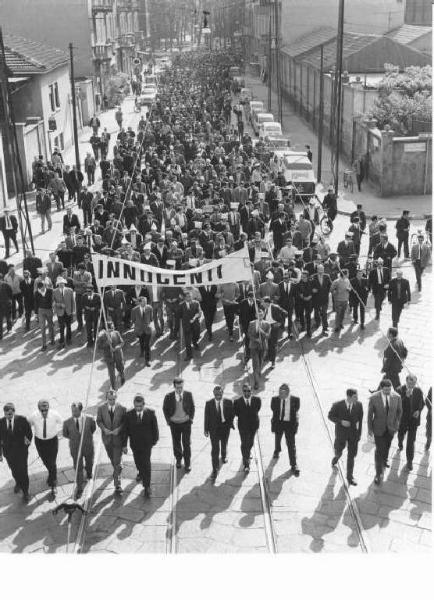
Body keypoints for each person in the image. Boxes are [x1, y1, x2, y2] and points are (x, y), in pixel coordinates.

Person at [122, 394, 159, 498]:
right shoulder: (129, 414)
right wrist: (124, 445)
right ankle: (140, 472)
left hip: (147, 444)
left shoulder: (150, 413)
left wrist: (154, 441)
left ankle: (147, 486)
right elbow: (125, 431)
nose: (138, 409)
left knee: (146, 463)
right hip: (135, 444)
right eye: (136, 406)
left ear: (144, 405)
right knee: (138, 461)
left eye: (140, 406)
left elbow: (155, 428)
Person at [367, 379, 402, 485]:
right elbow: (369, 415)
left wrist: (396, 425)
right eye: (386, 390)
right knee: (379, 450)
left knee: (387, 446)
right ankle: (378, 474)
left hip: (390, 429)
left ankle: (385, 459)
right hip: (378, 428)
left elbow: (399, 412)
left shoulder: (397, 397)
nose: (388, 392)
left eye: (389, 389)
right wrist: (369, 429)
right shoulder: (374, 398)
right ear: (381, 389)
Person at [328, 389, 363, 486]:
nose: (357, 398)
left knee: (351, 456)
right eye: (355, 397)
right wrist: (341, 421)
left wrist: (359, 434)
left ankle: (350, 477)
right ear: (348, 397)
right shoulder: (338, 405)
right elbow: (330, 416)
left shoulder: (359, 405)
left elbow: (360, 421)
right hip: (341, 434)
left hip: (353, 435)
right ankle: (336, 457)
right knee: (338, 451)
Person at [62, 402, 96, 498]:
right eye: (72, 410)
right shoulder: (67, 422)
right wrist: (75, 439)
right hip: (75, 448)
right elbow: (65, 434)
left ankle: (89, 473)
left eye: (76, 410)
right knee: (78, 468)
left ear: (80, 410)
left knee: (90, 462)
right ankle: (80, 487)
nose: (73, 412)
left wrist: (86, 438)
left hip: (88, 446)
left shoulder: (89, 419)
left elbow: (93, 429)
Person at [0, 402, 32, 502]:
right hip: (9, 453)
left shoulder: (22, 420)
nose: (8, 416)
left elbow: (29, 433)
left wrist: (26, 445)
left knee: (23, 471)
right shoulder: (0, 422)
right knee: (14, 470)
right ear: (4, 413)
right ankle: (18, 482)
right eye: (6, 414)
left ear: (14, 412)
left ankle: (26, 492)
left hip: (21, 453)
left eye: (10, 413)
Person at [28, 400, 63, 493]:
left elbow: (63, 422)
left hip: (52, 441)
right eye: (42, 410)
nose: (44, 412)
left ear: (49, 408)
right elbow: (27, 425)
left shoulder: (54, 414)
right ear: (38, 409)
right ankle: (51, 475)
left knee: (52, 462)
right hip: (40, 442)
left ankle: (53, 484)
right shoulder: (34, 416)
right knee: (45, 461)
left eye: (46, 410)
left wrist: (63, 433)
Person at [163, 378, 195, 472]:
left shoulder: (188, 395)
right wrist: (169, 421)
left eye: (181, 387)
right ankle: (178, 459)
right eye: (177, 388)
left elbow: (192, 407)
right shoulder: (169, 396)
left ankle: (187, 463)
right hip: (174, 424)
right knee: (176, 443)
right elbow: (164, 408)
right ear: (174, 387)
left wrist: (190, 419)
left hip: (186, 423)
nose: (179, 389)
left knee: (186, 443)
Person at [204, 385, 234, 481]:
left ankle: (224, 455)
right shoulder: (209, 404)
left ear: (222, 393)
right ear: (214, 394)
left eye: (220, 394)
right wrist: (206, 429)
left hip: (225, 428)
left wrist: (230, 423)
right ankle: (215, 469)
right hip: (214, 430)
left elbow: (232, 414)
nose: (218, 396)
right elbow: (207, 417)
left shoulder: (229, 402)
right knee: (215, 450)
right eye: (216, 394)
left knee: (224, 444)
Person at [270, 383, 300, 475]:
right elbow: (273, 409)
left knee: (291, 445)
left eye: (282, 393)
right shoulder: (275, 399)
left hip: (289, 424)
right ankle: (277, 450)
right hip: (279, 423)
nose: (280, 395)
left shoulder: (295, 400)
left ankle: (294, 464)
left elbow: (296, 410)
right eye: (279, 392)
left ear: (287, 393)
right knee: (278, 438)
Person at [396, 374, 424, 471]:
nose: (412, 385)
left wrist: (418, 411)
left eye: (414, 383)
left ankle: (409, 461)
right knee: (400, 435)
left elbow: (422, 403)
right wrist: (406, 397)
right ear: (406, 381)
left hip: (413, 421)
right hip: (403, 421)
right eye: (410, 382)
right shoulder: (399, 390)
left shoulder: (418, 391)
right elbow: (397, 406)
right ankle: (400, 442)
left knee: (411, 442)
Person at [233, 382, 261, 473]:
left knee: (250, 443)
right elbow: (236, 413)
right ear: (242, 391)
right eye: (245, 391)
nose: (247, 393)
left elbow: (257, 409)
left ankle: (248, 453)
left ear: (251, 391)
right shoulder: (237, 402)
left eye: (248, 391)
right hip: (243, 427)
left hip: (253, 426)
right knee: (244, 444)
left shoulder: (257, 400)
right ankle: (246, 464)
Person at [97, 320, 125, 389]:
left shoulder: (116, 333)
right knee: (112, 373)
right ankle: (113, 387)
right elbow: (99, 347)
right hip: (108, 356)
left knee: (120, 368)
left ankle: (122, 376)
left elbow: (122, 342)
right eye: (111, 328)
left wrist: (117, 347)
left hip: (118, 355)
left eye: (113, 327)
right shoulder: (102, 336)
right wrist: (106, 343)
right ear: (107, 329)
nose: (112, 329)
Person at [247, 307, 271, 390]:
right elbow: (249, 334)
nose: (260, 316)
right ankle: (256, 383)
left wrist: (262, 331)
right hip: (253, 346)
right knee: (255, 364)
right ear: (255, 315)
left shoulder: (267, 324)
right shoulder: (251, 323)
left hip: (263, 346)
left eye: (261, 315)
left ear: (264, 315)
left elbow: (268, 336)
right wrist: (255, 339)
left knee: (260, 362)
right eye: (258, 315)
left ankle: (258, 371)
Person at [262, 296, 286, 368]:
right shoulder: (262, 308)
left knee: (273, 344)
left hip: (274, 327)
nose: (262, 304)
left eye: (263, 303)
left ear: (267, 303)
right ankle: (268, 356)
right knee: (267, 343)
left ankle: (273, 362)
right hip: (266, 327)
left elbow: (285, 313)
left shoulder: (275, 307)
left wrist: (280, 323)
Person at [53, 276, 75, 348]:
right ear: (57, 284)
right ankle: (61, 341)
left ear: (64, 283)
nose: (61, 284)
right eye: (59, 283)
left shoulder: (70, 290)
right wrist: (59, 305)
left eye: (62, 283)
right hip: (60, 312)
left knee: (68, 326)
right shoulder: (54, 291)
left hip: (68, 311)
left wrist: (73, 311)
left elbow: (73, 301)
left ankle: (69, 339)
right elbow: (53, 302)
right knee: (61, 327)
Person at [179, 290, 201, 360]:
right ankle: (189, 355)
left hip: (195, 323)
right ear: (185, 298)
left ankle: (195, 342)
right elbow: (179, 316)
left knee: (196, 335)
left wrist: (194, 318)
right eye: (188, 297)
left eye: (190, 296)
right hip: (186, 325)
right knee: (187, 341)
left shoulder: (196, 303)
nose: (190, 298)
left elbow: (199, 312)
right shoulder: (181, 305)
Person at [131, 295, 153, 364]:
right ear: (140, 302)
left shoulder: (149, 308)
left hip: (147, 329)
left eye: (146, 301)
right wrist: (138, 325)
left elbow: (151, 318)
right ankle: (141, 351)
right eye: (144, 302)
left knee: (147, 345)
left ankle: (147, 360)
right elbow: (133, 320)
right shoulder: (134, 310)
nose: (145, 303)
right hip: (139, 330)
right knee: (141, 341)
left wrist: (147, 324)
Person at [311, 263, 331, 336]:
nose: (321, 271)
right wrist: (312, 290)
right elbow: (310, 286)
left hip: (324, 298)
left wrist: (328, 292)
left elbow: (330, 285)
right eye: (319, 270)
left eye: (322, 269)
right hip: (316, 299)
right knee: (316, 313)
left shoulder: (327, 276)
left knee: (324, 313)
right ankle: (317, 323)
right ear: (317, 270)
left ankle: (325, 328)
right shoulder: (313, 277)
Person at [34, 280, 55, 350]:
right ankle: (44, 344)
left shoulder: (50, 291)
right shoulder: (36, 293)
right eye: (40, 287)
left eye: (42, 287)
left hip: (49, 310)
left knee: (50, 326)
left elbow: (52, 300)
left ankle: (52, 340)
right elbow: (36, 303)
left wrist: (53, 308)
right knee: (42, 328)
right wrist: (36, 314)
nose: (41, 288)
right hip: (41, 311)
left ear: (45, 286)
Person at [0, 274, 12, 338]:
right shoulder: (6, 284)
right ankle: (0, 335)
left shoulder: (6, 285)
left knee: (8, 317)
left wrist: (9, 300)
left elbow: (10, 293)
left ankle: (9, 328)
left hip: (7, 304)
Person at [425, 387, 432, 452]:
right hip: (431, 416)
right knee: (429, 430)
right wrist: (430, 407)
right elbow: (427, 400)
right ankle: (428, 441)